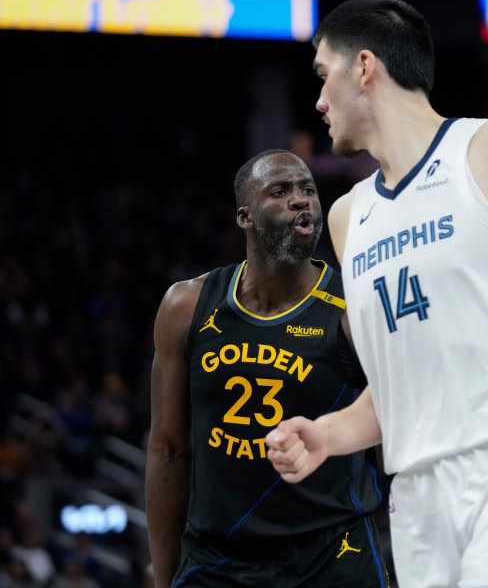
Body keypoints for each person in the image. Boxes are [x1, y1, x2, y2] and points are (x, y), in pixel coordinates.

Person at [265, 0, 488, 588]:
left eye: (323, 76)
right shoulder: (347, 218)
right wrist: (329, 434)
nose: (316, 100)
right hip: (418, 494)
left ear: (364, 67)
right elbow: (399, 387)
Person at [144, 149, 390, 588]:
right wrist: (163, 580)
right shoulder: (186, 306)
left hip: (333, 554)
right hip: (219, 558)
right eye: (280, 192)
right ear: (246, 217)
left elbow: (388, 445)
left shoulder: (354, 306)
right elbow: (167, 449)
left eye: (308, 190)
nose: (301, 201)